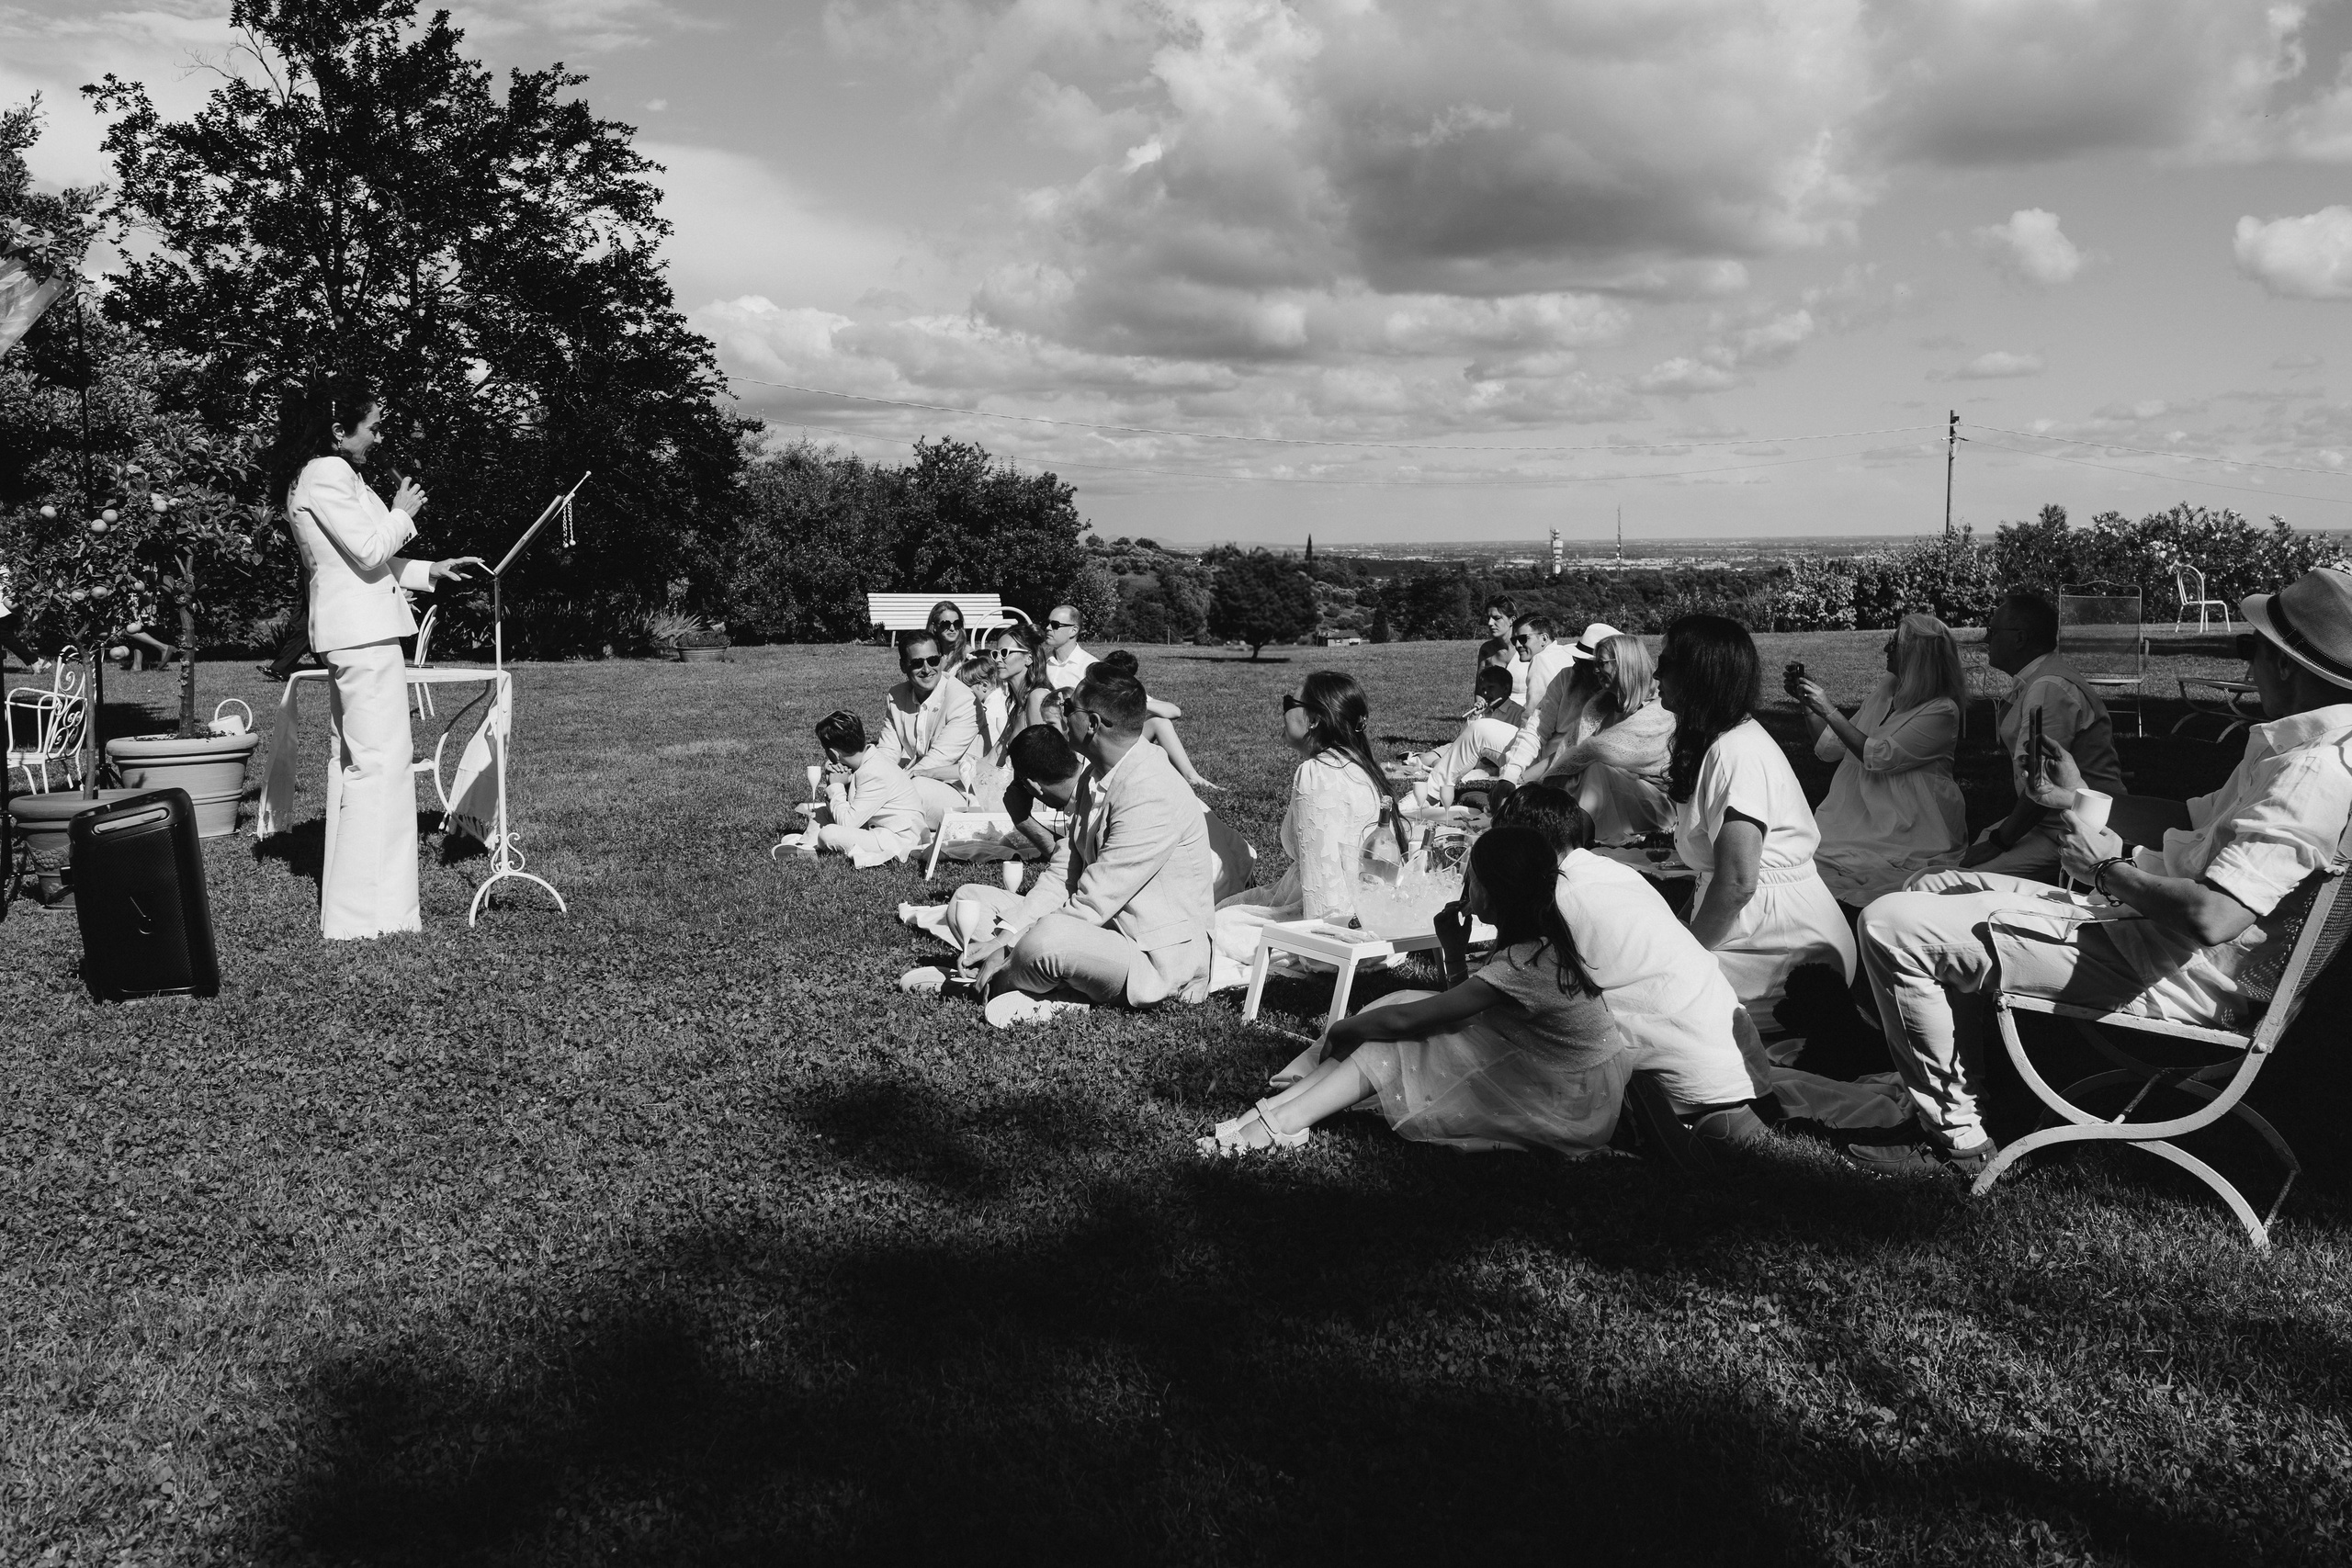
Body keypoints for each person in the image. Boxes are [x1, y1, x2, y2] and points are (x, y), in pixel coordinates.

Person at [1849, 566, 2352, 1175]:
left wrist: (2106, 869)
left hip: (2179, 974)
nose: (2246, 664)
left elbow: (2214, 916)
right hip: (2153, 934)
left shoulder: (2313, 775)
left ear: (2286, 666)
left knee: (1889, 925)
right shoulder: (2301, 752)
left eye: (2252, 646)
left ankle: (1955, 1138)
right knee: (1930, 886)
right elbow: (2191, 816)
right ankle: (1964, 1089)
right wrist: (2079, 797)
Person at [1198, 826, 1633, 1156]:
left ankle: (1286, 1119)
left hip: (1574, 1106)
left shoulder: (1526, 962)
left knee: (1399, 1036)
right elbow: (1461, 1014)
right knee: (1405, 1004)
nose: (1465, 886)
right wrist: (1454, 953)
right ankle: (1280, 1109)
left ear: (1495, 892)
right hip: (1567, 1083)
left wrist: (1347, 1027)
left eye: (1472, 877)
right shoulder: (1535, 945)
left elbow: (1417, 1021)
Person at [274, 378, 481, 941]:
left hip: (357, 631)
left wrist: (428, 569)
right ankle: (370, 916)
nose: (378, 435)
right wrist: (403, 510)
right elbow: (368, 548)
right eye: (372, 425)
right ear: (339, 430)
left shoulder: (328, 475)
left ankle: (361, 907)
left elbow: (362, 560)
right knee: (379, 765)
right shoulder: (328, 473)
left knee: (360, 762)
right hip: (361, 635)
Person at [905, 667, 1217, 1027]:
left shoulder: (1151, 790)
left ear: (1094, 724)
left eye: (1069, 706)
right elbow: (1062, 874)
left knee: (1046, 941)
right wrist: (1006, 936)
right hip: (1103, 930)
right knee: (972, 899)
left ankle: (983, 987)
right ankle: (1055, 992)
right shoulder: (1094, 776)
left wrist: (1009, 948)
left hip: (1154, 958)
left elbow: (1093, 900)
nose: (1061, 711)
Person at [1496, 786, 1774, 1145]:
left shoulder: (1555, 899)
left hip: (1690, 1079)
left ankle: (1656, 1111)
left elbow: (1514, 997)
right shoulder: (1613, 870)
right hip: (1743, 1063)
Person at [1656, 614, 1856, 1013]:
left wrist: (1683, 955)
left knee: (1643, 1004)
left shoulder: (1737, 753)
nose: (1656, 674)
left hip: (1780, 944)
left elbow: (1738, 883)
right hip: (1754, 925)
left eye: (1666, 664)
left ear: (1698, 674)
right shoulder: (1721, 741)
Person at [1210, 671, 1412, 984]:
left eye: (1290, 702)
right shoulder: (1358, 765)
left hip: (1335, 921)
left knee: (1215, 928)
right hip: (1369, 913)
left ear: (1315, 719)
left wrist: (1320, 956)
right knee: (1224, 910)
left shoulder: (1319, 774)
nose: (1283, 710)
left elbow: (1323, 886)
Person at [1796, 612, 1969, 906]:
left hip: (1911, 827)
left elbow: (1881, 757)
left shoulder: (1942, 710)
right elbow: (1832, 749)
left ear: (1917, 657)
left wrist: (1829, 710)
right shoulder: (1886, 691)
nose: (1885, 650)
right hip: (1855, 819)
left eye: (1893, 645)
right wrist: (1810, 707)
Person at [1951, 591, 2123, 882]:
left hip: (2076, 829)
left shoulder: (2048, 688)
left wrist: (2000, 842)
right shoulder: (2039, 678)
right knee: (1959, 863)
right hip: (2051, 821)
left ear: (2019, 638)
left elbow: (2041, 787)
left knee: (1964, 881)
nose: (1985, 639)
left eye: (1992, 631)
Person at [1529, 631, 1675, 841]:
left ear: (1625, 664)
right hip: (1608, 795)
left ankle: (1574, 840)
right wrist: (1524, 781)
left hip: (1655, 805)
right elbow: (1569, 752)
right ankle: (1552, 829)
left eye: (1602, 663)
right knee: (1580, 773)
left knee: (1596, 768)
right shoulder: (1599, 706)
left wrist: (1546, 784)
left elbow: (1592, 750)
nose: (1596, 670)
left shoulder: (1657, 710)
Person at [784, 709, 927, 867]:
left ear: (833, 753)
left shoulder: (874, 772)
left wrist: (836, 785)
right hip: (877, 826)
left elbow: (847, 823)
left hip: (898, 838)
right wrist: (841, 783)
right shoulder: (868, 762)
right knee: (821, 812)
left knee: (828, 833)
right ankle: (806, 845)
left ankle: (813, 845)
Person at [876, 628, 979, 830]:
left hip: (962, 791)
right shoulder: (896, 695)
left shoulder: (962, 699)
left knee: (915, 790)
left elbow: (939, 759)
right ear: (903, 666)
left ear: (941, 660)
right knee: (861, 780)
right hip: (918, 779)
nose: (926, 669)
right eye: (917, 663)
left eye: (933, 660)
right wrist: (866, 773)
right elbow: (887, 752)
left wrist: (890, 784)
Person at [1098, 649, 1219, 790]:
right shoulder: (1099, 690)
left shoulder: (1129, 693)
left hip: (1125, 744)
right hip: (1105, 747)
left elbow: (1175, 711)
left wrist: (1137, 703)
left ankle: (1191, 775)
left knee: (1160, 722)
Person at [1409, 663, 1520, 807]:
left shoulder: (1517, 713)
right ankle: (1422, 767)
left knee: (1441, 764)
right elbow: (1463, 739)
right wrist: (1474, 716)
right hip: (1467, 754)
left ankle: (1432, 793)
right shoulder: (1483, 712)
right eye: (1483, 689)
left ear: (1505, 689)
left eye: (1491, 688)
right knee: (1429, 760)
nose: (1486, 694)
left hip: (1492, 762)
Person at [1039, 603, 1097, 694]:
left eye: (1055, 625)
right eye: (1047, 623)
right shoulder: (1040, 663)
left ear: (1073, 630)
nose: (1047, 628)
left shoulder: (1090, 668)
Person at [1483, 595, 1528, 705]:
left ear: (1512, 620)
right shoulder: (1487, 649)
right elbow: (1480, 691)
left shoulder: (1528, 648)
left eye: (1496, 618)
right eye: (1488, 618)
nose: (1490, 623)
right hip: (1493, 713)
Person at [925, 599, 979, 685]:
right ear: (934, 627)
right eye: (945, 624)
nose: (952, 628)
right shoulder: (928, 655)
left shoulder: (967, 654)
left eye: (957, 623)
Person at [1, 564, 40, 670]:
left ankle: (35, 660)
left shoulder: (5, 562)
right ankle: (35, 660)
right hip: (6, 608)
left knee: (3, 634)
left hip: (8, 610)